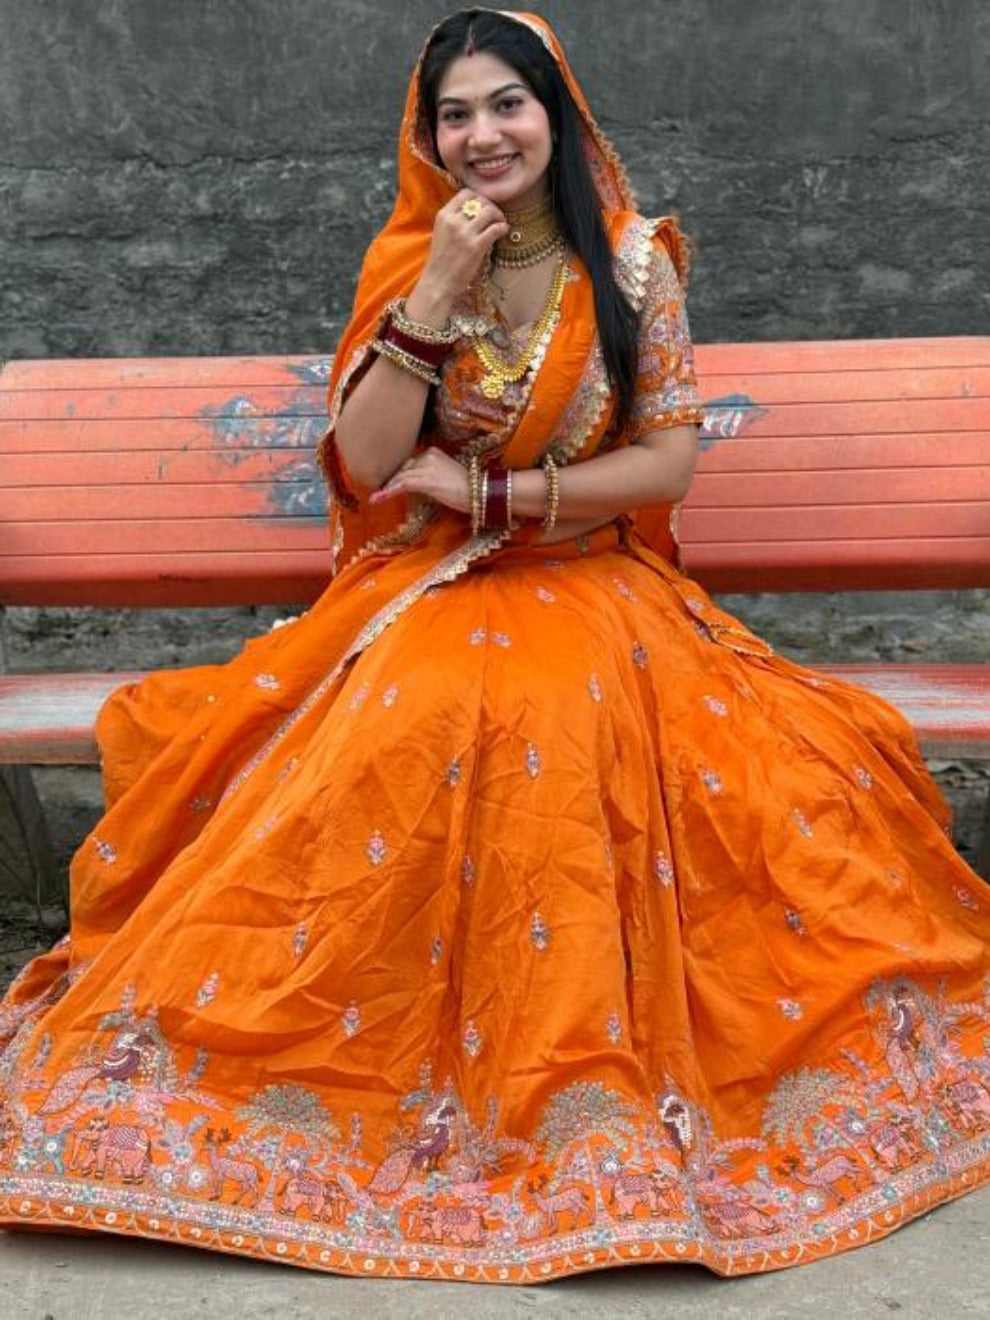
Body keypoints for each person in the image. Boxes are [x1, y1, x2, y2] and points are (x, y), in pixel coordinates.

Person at [1, 7, 988, 1286]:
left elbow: (668, 459)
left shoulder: (631, 265)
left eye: (505, 105)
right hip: (430, 598)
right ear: (429, 138)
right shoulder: (412, 263)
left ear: (556, 115)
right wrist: (432, 299)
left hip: (592, 587)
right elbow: (363, 466)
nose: (481, 136)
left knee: (621, 745)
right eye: (453, 115)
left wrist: (496, 501)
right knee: (386, 748)